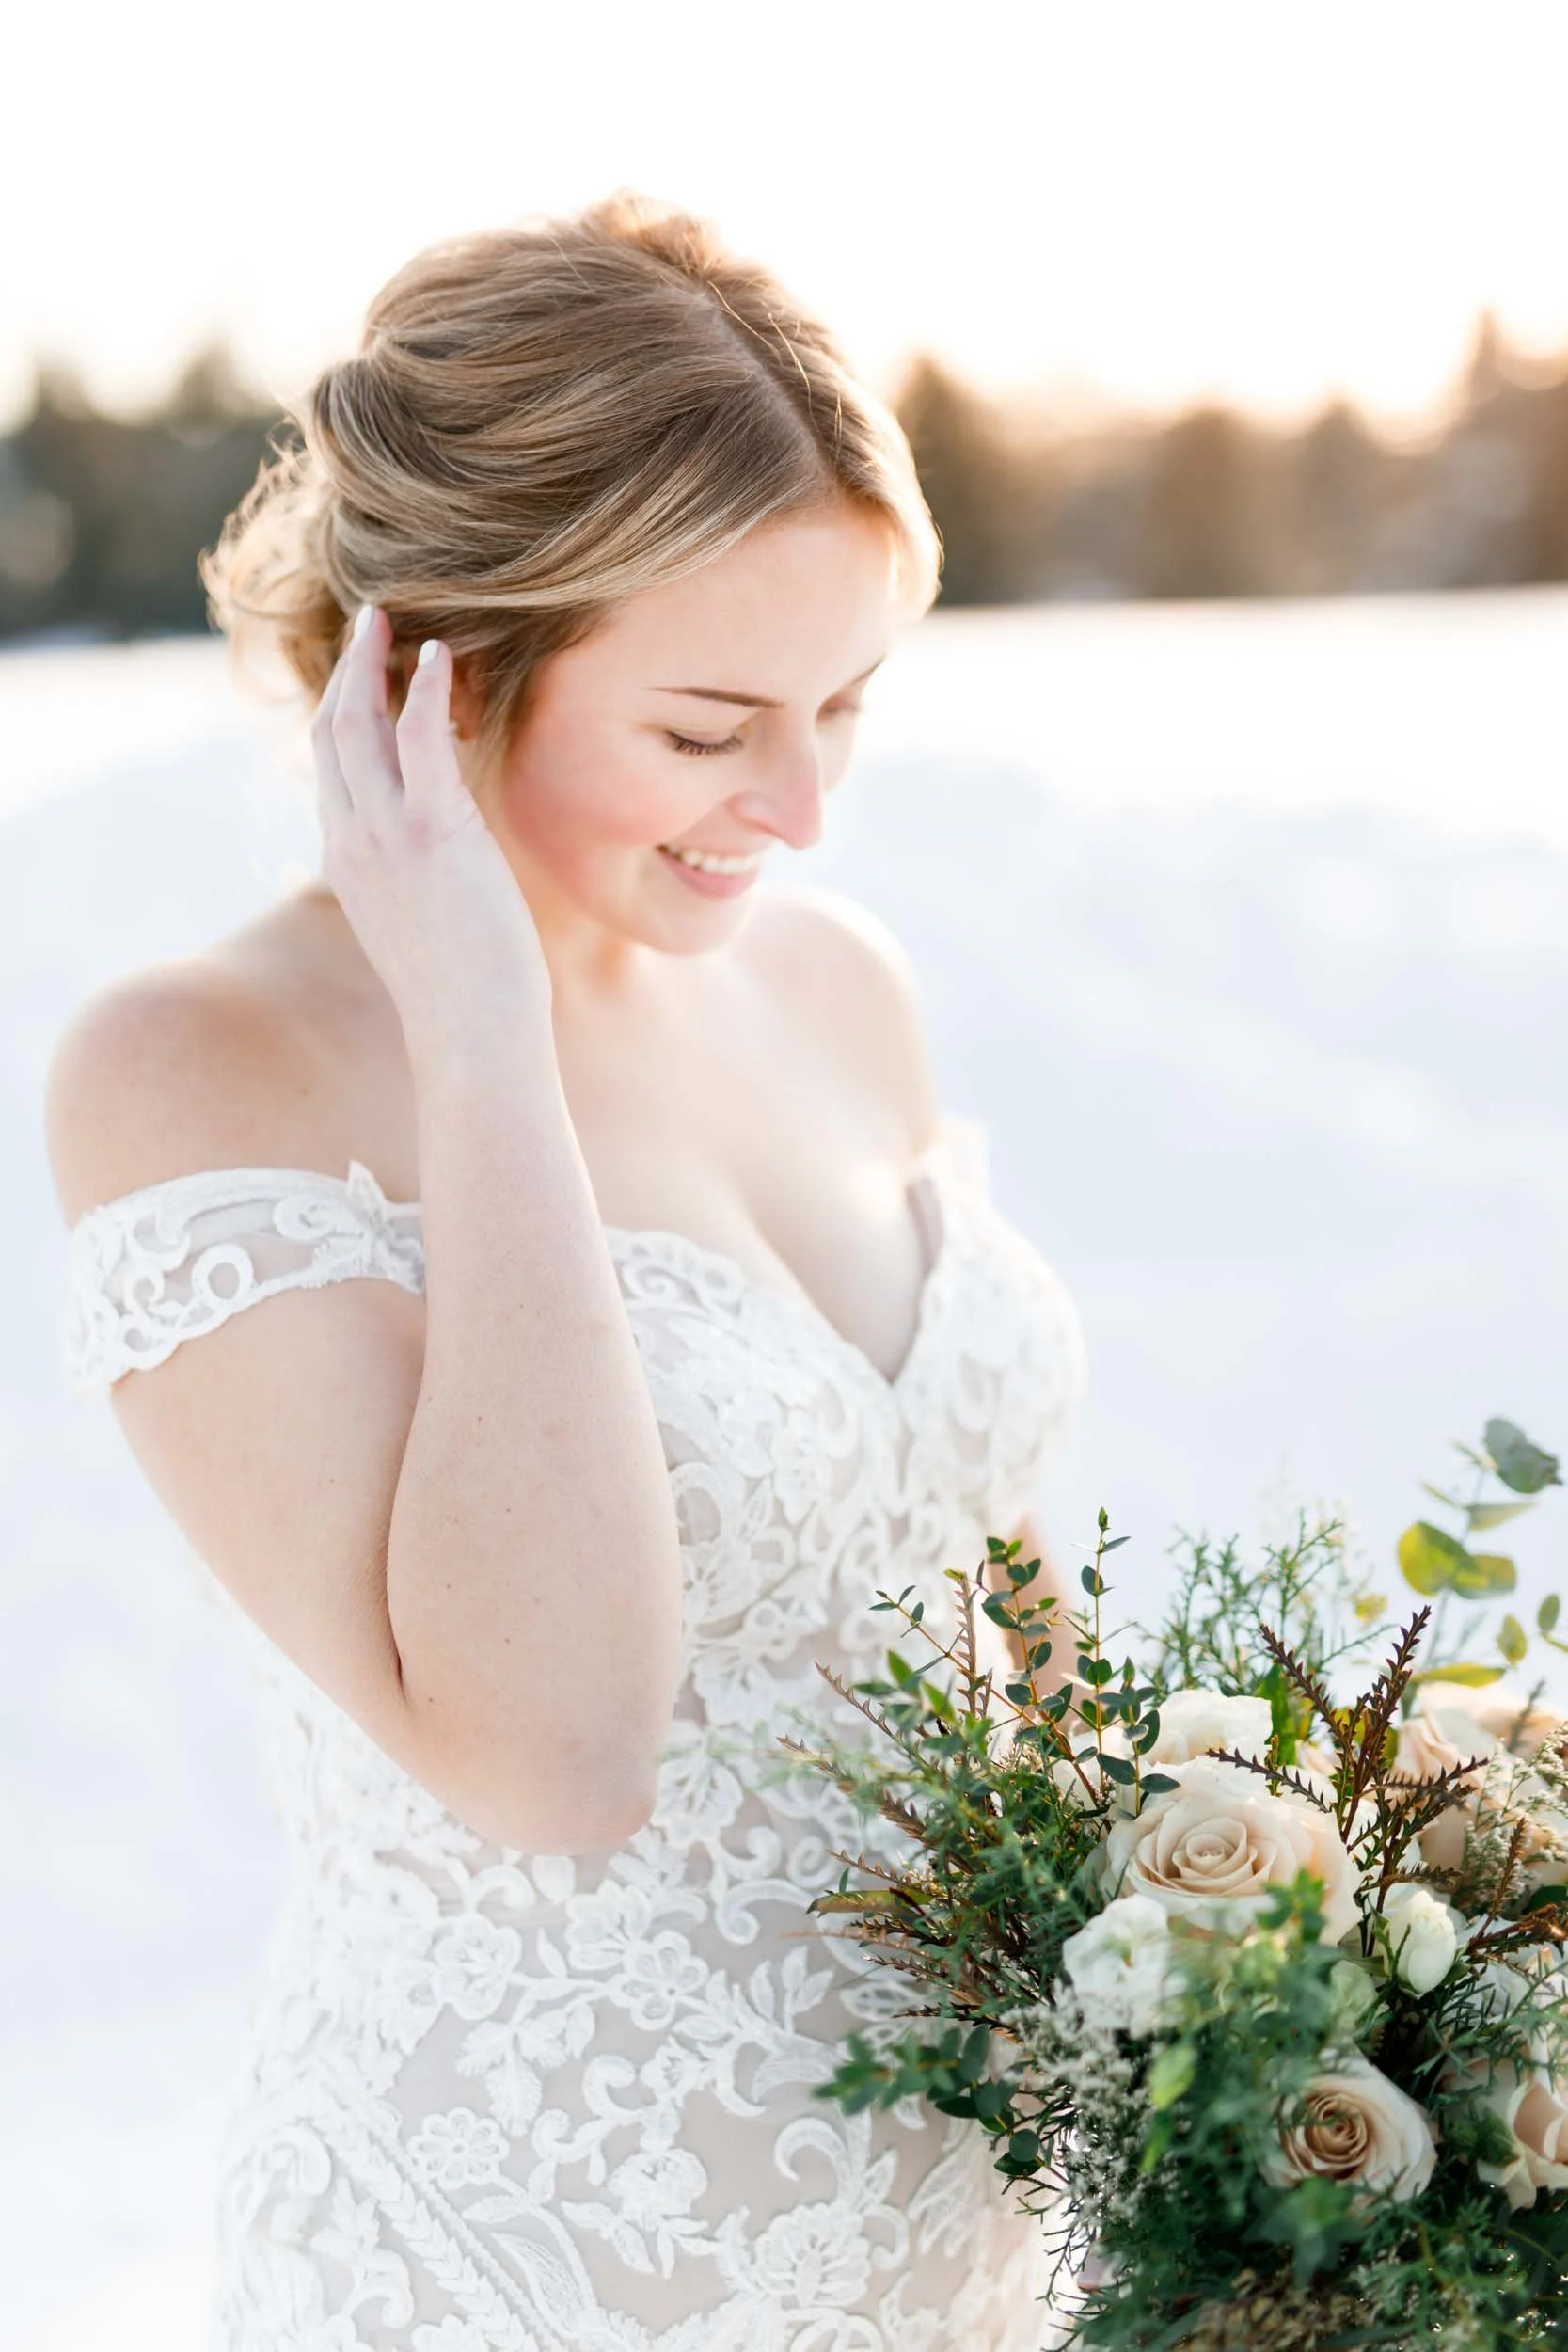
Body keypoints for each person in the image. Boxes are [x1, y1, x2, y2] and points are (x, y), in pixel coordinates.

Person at [48, 191, 1087, 2350]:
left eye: (843, 706)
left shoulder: (835, 987)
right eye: (711, 728)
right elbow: (550, 1747)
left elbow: (1003, 1610)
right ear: (431, 670)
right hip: (537, 2267)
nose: (794, 807)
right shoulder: (197, 1068)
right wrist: (481, 1032)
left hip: (966, 2259)